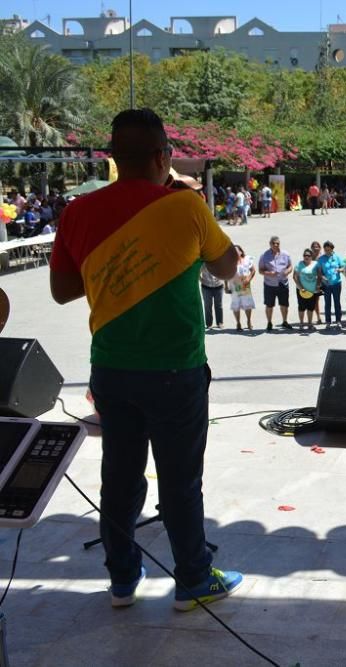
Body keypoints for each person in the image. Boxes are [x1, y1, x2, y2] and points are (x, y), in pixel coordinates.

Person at [48, 108, 243, 611]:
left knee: (119, 476)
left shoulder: (77, 212)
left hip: (110, 369)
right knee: (180, 481)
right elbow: (226, 267)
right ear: (163, 157)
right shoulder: (186, 207)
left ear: (114, 158)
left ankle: (121, 580)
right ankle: (194, 580)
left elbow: (62, 290)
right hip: (176, 370)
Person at [258, 236, 293, 331]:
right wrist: (269, 273)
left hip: (283, 283)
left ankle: (285, 321)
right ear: (270, 244)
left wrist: (288, 271)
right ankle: (269, 322)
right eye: (273, 243)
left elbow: (290, 266)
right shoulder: (264, 255)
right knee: (269, 305)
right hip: (270, 284)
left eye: (277, 243)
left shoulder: (285, 254)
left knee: (284, 304)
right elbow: (260, 270)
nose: (276, 245)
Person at [317, 241, 345, 327]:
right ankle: (328, 321)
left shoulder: (337, 257)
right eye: (325, 250)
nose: (327, 252)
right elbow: (319, 271)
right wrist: (322, 277)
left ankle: (338, 321)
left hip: (336, 283)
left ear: (332, 249)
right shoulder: (321, 259)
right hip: (326, 284)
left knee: (337, 302)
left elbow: (343, 267)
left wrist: (339, 270)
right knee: (327, 303)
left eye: (328, 250)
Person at [229, 244, 255, 332]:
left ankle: (248, 321)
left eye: (237, 250)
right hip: (234, 285)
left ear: (241, 251)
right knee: (236, 305)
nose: (236, 252)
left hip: (245, 285)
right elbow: (226, 274)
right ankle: (238, 323)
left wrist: (249, 278)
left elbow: (253, 270)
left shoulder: (247, 259)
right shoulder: (230, 262)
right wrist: (226, 286)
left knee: (247, 304)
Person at [293, 247, 320, 330]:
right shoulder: (299, 264)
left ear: (311, 256)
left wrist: (318, 285)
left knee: (310, 308)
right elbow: (295, 277)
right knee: (301, 307)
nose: (306, 257)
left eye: (308, 255)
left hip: (312, 290)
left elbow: (319, 275)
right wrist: (301, 288)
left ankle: (309, 323)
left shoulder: (316, 264)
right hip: (302, 291)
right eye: (305, 255)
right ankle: (301, 323)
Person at [200, 264, 224, 330]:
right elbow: (197, 273)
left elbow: (225, 271)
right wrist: (201, 280)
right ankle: (209, 324)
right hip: (206, 286)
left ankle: (220, 322)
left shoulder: (219, 262)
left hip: (218, 285)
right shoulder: (203, 263)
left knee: (219, 305)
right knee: (207, 305)